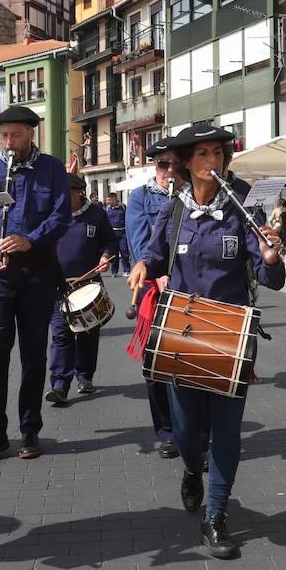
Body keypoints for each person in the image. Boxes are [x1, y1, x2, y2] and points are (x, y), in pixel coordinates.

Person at [127, 123, 284, 558]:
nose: (212, 162)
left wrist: (271, 257)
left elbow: (271, 275)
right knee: (185, 429)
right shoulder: (174, 210)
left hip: (231, 335)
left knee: (228, 429)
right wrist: (142, 264)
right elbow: (155, 252)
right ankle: (191, 468)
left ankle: (216, 516)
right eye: (203, 155)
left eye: (218, 153)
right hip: (182, 330)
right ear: (186, 165)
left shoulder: (242, 208)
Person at [0, 105, 72, 465]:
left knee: (33, 353)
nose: (8, 142)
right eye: (3, 135)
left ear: (31, 133)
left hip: (37, 272)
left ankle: (29, 429)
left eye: (15, 135)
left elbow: (61, 215)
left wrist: (30, 239)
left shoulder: (52, 168)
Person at [126, 139, 182, 458]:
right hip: (152, 289)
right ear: (154, 166)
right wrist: (154, 272)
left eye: (175, 163)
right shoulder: (140, 198)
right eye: (163, 164)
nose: (169, 170)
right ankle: (166, 431)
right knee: (155, 361)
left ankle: (192, 427)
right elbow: (138, 245)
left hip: (186, 288)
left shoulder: (190, 197)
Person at [46, 174, 118, 404]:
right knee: (61, 335)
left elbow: (110, 240)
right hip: (58, 285)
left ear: (79, 192)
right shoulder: (52, 215)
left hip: (88, 284)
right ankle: (59, 384)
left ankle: (84, 375)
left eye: (65, 194)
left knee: (87, 332)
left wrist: (106, 256)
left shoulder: (97, 214)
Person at [104, 193, 129, 276]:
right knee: (114, 254)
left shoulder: (123, 207)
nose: (107, 201)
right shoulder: (107, 209)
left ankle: (127, 270)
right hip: (113, 233)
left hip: (123, 232)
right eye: (107, 200)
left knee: (124, 251)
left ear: (114, 198)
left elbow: (128, 218)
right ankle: (114, 271)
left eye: (109, 199)